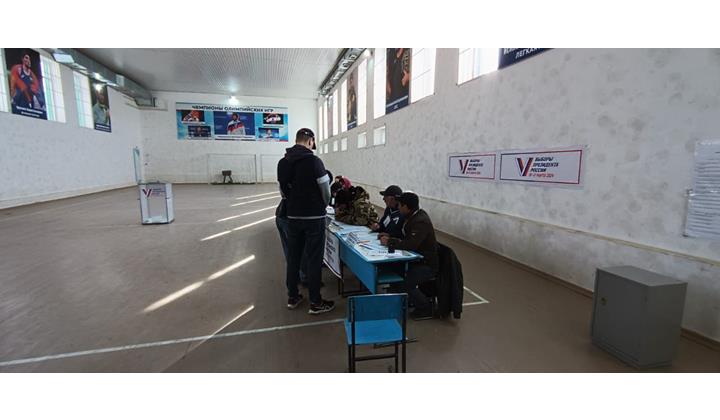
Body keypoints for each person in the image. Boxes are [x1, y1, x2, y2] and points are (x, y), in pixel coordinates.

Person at [277, 128, 334, 314]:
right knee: (314, 259)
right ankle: (316, 302)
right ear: (310, 141)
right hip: (314, 218)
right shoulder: (314, 161)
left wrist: (293, 205)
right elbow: (325, 190)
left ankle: (292, 296)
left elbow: (282, 191)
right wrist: (322, 205)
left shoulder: (283, 162)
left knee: (293, 257)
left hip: (293, 217)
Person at [380, 192, 439, 319]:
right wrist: (390, 236)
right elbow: (403, 236)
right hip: (415, 259)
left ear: (406, 207)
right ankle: (400, 297)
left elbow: (411, 244)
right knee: (393, 269)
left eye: (400, 205)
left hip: (426, 264)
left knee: (406, 282)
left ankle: (425, 307)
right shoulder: (410, 216)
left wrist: (390, 242)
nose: (398, 207)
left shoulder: (420, 221)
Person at [275, 169, 332, 288]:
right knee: (302, 250)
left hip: (282, 215)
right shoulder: (309, 188)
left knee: (291, 251)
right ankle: (305, 278)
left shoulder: (297, 179)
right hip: (289, 219)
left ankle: (295, 278)